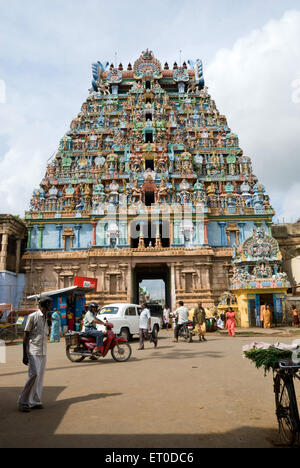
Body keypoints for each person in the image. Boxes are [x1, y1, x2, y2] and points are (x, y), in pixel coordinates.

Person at [18, 296, 52, 413]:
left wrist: (50, 323)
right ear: (44, 305)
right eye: (49, 304)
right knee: (34, 375)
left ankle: (35, 401)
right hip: (33, 351)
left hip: (43, 351)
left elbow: (47, 333)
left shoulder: (47, 317)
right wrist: (24, 354)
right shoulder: (33, 317)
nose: (51, 306)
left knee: (40, 377)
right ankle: (22, 402)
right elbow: (26, 335)